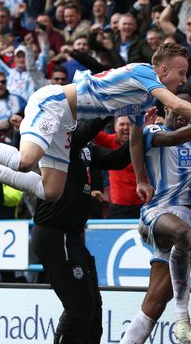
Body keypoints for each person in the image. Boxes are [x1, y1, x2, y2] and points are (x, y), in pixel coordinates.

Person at [0, 43, 191, 204]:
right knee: (26, 161)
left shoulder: (146, 100)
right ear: (162, 69)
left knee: (52, 191)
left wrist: (143, 179)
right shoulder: (144, 72)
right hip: (52, 103)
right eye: (181, 73)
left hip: (66, 121)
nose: (184, 80)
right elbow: (174, 103)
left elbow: (135, 140)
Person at [32, 117, 133, 343]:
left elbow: (117, 160)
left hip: (71, 238)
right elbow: (82, 133)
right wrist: (108, 108)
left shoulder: (85, 147)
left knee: (93, 308)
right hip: (54, 234)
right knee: (79, 308)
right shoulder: (60, 141)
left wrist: (140, 129)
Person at [120, 93, 191, 344]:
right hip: (158, 214)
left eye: (189, 110)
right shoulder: (153, 132)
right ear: (166, 109)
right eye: (177, 108)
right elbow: (171, 139)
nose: (182, 114)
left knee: (155, 301)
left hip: (189, 215)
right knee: (184, 234)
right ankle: (183, 319)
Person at [94, 116, 144, 218]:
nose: (125, 127)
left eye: (129, 124)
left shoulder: (144, 143)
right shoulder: (111, 140)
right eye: (122, 124)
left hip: (142, 202)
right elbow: (91, 132)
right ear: (115, 128)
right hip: (118, 206)